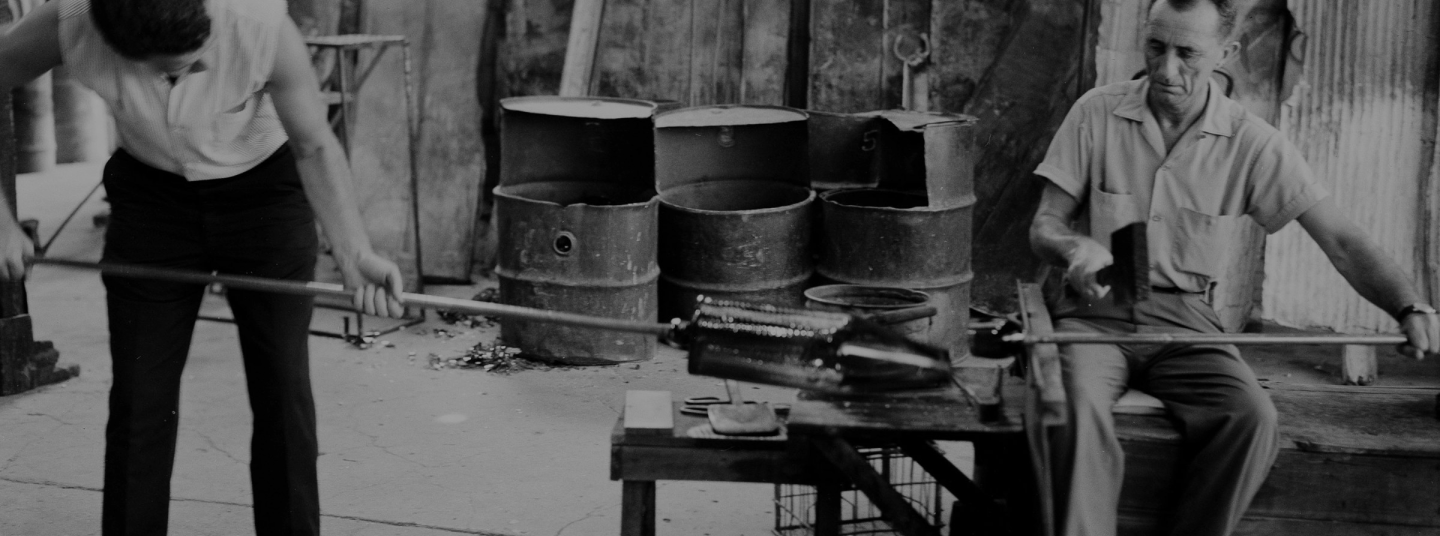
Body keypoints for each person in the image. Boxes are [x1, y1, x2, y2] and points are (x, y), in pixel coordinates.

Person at [1028, 0, 1440, 535]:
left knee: (1250, 419)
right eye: (1156, 47)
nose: (1166, 69)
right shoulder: (1095, 111)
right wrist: (1074, 249)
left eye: (1187, 53)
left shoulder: (1254, 143)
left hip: (1186, 324)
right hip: (1092, 315)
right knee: (1072, 411)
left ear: (1227, 52)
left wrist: (1407, 304)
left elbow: (1340, 239)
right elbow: (1044, 226)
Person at [0, 0, 409, 533]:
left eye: (199, 58)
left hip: (263, 194)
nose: (190, 74)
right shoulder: (72, 21)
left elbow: (312, 143)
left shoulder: (258, 23)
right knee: (139, 402)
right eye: (173, 68)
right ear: (116, 41)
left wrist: (355, 252)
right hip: (151, 201)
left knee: (283, 392)